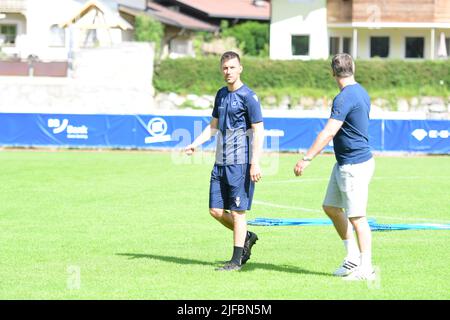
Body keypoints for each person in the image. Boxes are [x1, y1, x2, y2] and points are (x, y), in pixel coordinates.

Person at [293, 53, 376, 280]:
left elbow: (329, 131)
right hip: (344, 163)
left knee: (357, 217)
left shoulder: (345, 97)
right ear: (353, 68)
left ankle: (366, 268)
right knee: (330, 207)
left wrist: (306, 158)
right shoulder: (360, 91)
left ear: (332, 73)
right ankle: (352, 258)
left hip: (354, 165)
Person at [185, 51, 264, 271]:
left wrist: (255, 162)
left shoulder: (249, 96)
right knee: (216, 211)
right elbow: (213, 126)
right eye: (225, 68)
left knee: (238, 212)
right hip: (220, 162)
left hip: (239, 163)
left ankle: (236, 260)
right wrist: (195, 143)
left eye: (232, 67)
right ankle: (246, 236)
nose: (228, 72)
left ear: (240, 68)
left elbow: (259, 131)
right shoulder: (221, 95)